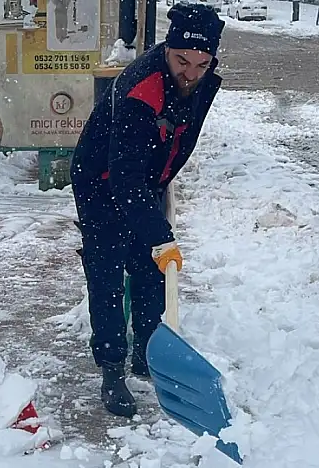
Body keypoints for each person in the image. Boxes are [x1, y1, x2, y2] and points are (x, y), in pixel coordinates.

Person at [69, 3, 224, 418]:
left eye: (201, 63)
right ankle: (112, 367)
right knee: (107, 272)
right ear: (167, 50)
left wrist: (156, 230)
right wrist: (160, 233)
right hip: (101, 182)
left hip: (146, 179)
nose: (190, 72)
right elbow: (124, 176)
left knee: (151, 268)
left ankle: (148, 353)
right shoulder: (142, 87)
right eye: (181, 60)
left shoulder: (198, 80)